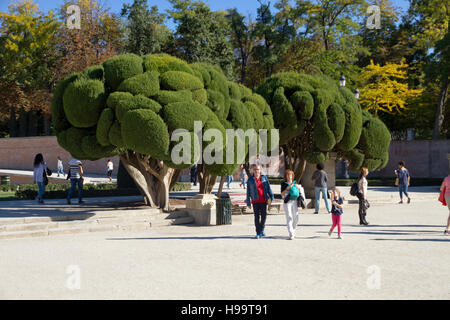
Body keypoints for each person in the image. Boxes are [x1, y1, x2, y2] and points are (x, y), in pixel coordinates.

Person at [246, 164, 274, 239]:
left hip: (263, 200)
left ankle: (262, 229)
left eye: (258, 169)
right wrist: (248, 202)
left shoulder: (264, 178)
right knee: (256, 217)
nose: (256, 171)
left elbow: (268, 188)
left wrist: (271, 196)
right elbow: (248, 192)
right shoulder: (250, 180)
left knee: (264, 216)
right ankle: (258, 232)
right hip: (255, 201)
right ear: (253, 170)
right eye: (255, 169)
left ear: (260, 170)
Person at [281, 169, 303, 240]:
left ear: (292, 176)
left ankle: (293, 230)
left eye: (290, 175)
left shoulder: (295, 182)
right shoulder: (283, 183)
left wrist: (299, 189)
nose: (289, 176)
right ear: (285, 176)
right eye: (287, 175)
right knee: (289, 217)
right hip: (287, 201)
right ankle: (291, 233)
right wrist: (287, 188)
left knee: (296, 218)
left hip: (294, 201)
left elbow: (299, 192)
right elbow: (282, 194)